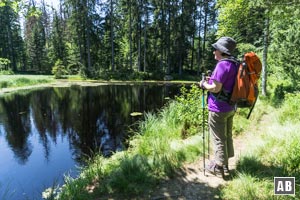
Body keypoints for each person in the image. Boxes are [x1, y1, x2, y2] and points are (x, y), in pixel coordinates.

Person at [199, 36, 238, 178]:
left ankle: (218, 167)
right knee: (226, 136)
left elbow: (215, 88)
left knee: (218, 138)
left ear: (221, 51)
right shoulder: (235, 64)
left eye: (215, 49)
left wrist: (204, 85)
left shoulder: (222, 65)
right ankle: (225, 165)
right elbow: (225, 84)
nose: (213, 52)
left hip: (218, 109)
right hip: (230, 107)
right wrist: (212, 81)